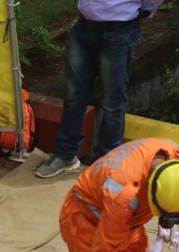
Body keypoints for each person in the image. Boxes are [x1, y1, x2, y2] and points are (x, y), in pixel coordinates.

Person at [35, 0, 162, 178]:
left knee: (112, 101)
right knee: (74, 96)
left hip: (119, 30)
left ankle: (106, 165)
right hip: (84, 27)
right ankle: (65, 156)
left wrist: (146, 10)